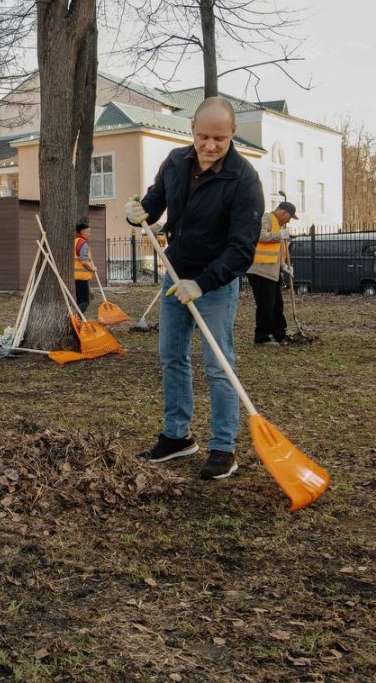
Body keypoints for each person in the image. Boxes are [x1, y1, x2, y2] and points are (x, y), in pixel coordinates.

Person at [125, 96, 264, 480]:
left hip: (214, 284)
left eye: (219, 137)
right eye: (203, 136)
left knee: (218, 366)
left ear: (233, 133)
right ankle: (177, 436)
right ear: (192, 131)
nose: (210, 145)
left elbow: (242, 251)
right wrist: (137, 213)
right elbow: (153, 204)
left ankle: (223, 448)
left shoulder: (244, 179)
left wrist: (201, 284)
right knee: (172, 357)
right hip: (174, 274)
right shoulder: (175, 161)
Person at [246, 201, 298, 347]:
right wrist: (279, 235)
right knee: (266, 305)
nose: (288, 220)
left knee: (277, 305)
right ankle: (261, 337)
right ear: (283, 213)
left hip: (272, 270)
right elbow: (259, 236)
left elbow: (276, 252)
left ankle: (279, 334)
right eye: (289, 217)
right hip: (260, 269)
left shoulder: (278, 226)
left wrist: (284, 266)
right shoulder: (266, 218)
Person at [73, 222, 96, 314]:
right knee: (85, 302)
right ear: (83, 232)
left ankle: (77, 321)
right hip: (81, 277)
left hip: (74, 277)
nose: (90, 234)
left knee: (78, 301)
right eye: (89, 232)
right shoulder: (83, 243)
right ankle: (77, 319)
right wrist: (92, 268)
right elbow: (84, 261)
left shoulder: (74, 241)